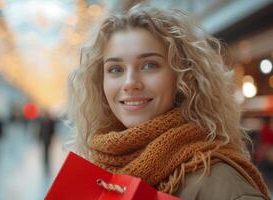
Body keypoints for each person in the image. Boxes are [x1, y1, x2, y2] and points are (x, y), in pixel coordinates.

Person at [66, 4, 270, 200]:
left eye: (149, 65)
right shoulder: (98, 170)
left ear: (182, 77)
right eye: (116, 69)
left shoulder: (221, 183)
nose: (130, 83)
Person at [39, 110, 56, 175]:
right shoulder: (42, 121)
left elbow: (53, 130)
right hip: (44, 139)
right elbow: (40, 130)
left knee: (48, 151)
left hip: (48, 139)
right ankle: (45, 162)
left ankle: (47, 162)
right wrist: (40, 137)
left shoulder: (51, 121)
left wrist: (52, 137)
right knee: (45, 151)